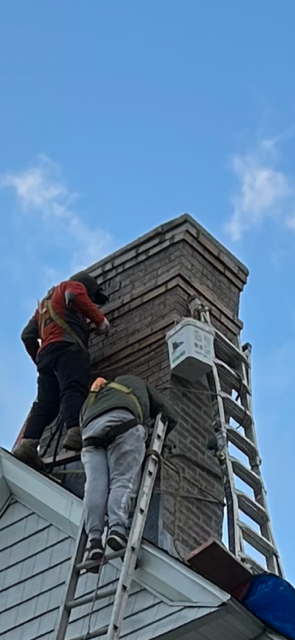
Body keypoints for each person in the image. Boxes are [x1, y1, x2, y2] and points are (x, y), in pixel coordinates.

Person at [13, 271, 110, 469]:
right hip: (68, 350)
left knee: (46, 403)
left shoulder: (43, 308)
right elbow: (74, 296)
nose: (90, 301)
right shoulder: (70, 285)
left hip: (47, 358)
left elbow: (27, 335)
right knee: (73, 388)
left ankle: (28, 444)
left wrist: (40, 359)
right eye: (91, 298)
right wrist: (100, 320)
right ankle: (74, 433)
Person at [80, 374, 178, 567]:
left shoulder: (92, 398)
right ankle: (117, 530)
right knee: (122, 480)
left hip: (90, 435)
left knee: (95, 487)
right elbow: (170, 414)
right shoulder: (132, 381)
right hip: (123, 424)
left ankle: (94, 541)